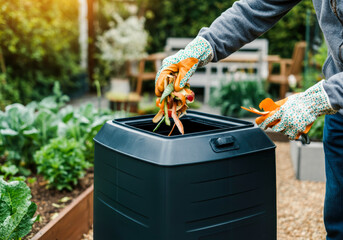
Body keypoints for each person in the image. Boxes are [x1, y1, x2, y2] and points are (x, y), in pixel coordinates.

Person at [154, 1, 343, 239]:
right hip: (341, 116)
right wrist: (201, 47)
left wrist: (324, 97)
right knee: (339, 223)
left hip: (337, 97)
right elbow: (257, 8)